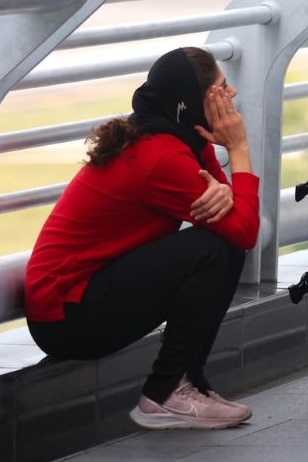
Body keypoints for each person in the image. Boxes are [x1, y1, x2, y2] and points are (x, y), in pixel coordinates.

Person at [24, 47, 260, 430]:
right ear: (188, 103)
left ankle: (188, 382)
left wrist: (228, 191)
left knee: (220, 243)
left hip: (84, 296)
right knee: (212, 249)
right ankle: (166, 391)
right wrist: (238, 148)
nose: (231, 94)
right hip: (67, 316)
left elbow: (232, 214)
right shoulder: (161, 157)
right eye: (221, 87)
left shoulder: (181, 137)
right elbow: (245, 230)